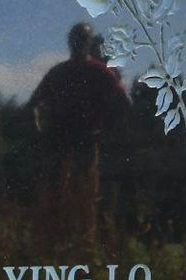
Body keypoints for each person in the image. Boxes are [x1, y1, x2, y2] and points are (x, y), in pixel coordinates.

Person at [26, 22, 133, 263]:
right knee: (57, 197)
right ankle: (52, 250)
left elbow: (124, 104)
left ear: (86, 43)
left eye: (81, 40)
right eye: (76, 39)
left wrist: (106, 128)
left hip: (83, 143)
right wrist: (41, 131)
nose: (78, 44)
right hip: (60, 144)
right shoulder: (60, 73)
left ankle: (81, 253)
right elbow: (32, 104)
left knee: (83, 199)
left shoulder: (98, 72)